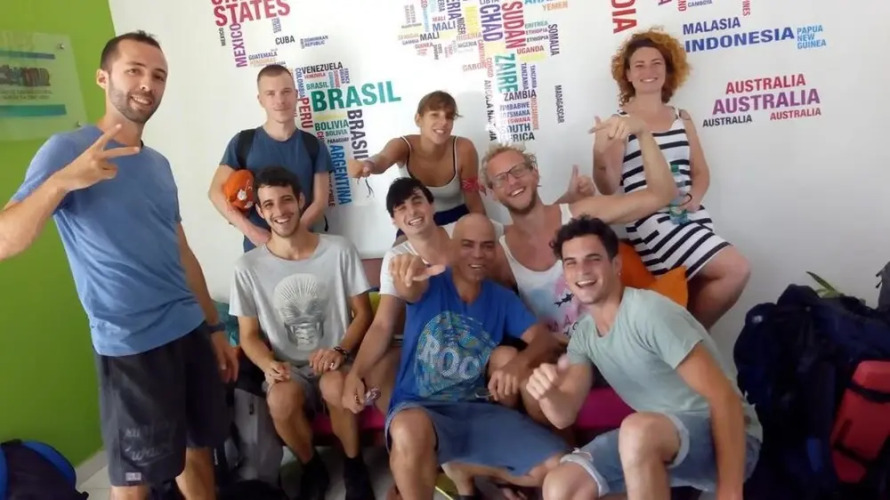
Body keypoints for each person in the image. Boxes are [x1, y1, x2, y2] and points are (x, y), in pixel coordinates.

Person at [0, 31, 238, 500]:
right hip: (131, 345)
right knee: (134, 481)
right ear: (103, 77)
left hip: (188, 330)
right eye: (134, 70)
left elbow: (181, 251)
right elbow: (6, 240)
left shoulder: (158, 164)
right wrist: (63, 182)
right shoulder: (67, 150)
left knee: (198, 450)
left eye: (158, 75)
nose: (148, 84)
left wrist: (212, 327)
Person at [528, 215, 762, 500]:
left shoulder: (649, 314)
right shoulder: (584, 335)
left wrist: (730, 491)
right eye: (571, 263)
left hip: (732, 438)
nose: (582, 271)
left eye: (593, 259)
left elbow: (724, 398)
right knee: (561, 485)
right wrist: (549, 394)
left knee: (636, 429)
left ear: (616, 265)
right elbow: (563, 416)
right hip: (660, 441)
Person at [382, 213, 569, 500]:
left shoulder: (501, 298)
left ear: (496, 250)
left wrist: (517, 365)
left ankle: (464, 468)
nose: (478, 254)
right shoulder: (429, 283)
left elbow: (543, 339)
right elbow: (409, 287)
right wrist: (405, 271)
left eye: (487, 246)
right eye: (467, 244)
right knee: (407, 430)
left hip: (478, 410)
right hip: (422, 409)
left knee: (560, 466)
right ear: (452, 247)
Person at [228, 166, 377, 500]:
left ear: (301, 200)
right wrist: (267, 364)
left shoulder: (339, 250)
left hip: (337, 360)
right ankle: (311, 466)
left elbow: (363, 314)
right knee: (279, 399)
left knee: (336, 385)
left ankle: (353, 465)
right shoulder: (247, 267)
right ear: (260, 211)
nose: (279, 211)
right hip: (289, 367)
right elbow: (248, 335)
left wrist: (339, 350)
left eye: (286, 200)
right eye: (269, 204)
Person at [592, 27, 751, 330]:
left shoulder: (682, 117)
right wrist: (600, 154)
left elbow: (700, 171)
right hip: (650, 221)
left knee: (701, 286)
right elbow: (608, 186)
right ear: (628, 74)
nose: (648, 71)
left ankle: (681, 341)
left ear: (668, 70)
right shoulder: (620, 122)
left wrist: (694, 198)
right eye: (639, 65)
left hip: (690, 215)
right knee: (736, 269)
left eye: (656, 63)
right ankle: (687, 341)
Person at [482, 114, 677, 343]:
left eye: (518, 170)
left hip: (617, 343)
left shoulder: (579, 213)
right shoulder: (500, 256)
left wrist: (643, 132)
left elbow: (661, 194)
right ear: (492, 193)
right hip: (561, 356)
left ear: (535, 173)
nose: (512, 181)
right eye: (501, 179)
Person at [209, 64, 333, 252]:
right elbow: (215, 192)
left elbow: (320, 202)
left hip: (305, 250)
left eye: (286, 92)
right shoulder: (243, 142)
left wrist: (289, 236)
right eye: (271, 94)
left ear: (296, 95)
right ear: (260, 100)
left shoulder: (314, 146)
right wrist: (252, 232)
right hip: (258, 251)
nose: (280, 100)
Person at [345, 90, 490, 237]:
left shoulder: (464, 148)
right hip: (417, 221)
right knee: (400, 249)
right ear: (418, 119)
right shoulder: (403, 145)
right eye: (435, 114)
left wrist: (485, 234)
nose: (444, 122)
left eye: (449, 116)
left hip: (458, 218)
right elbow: (382, 159)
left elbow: (473, 199)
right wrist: (367, 165)